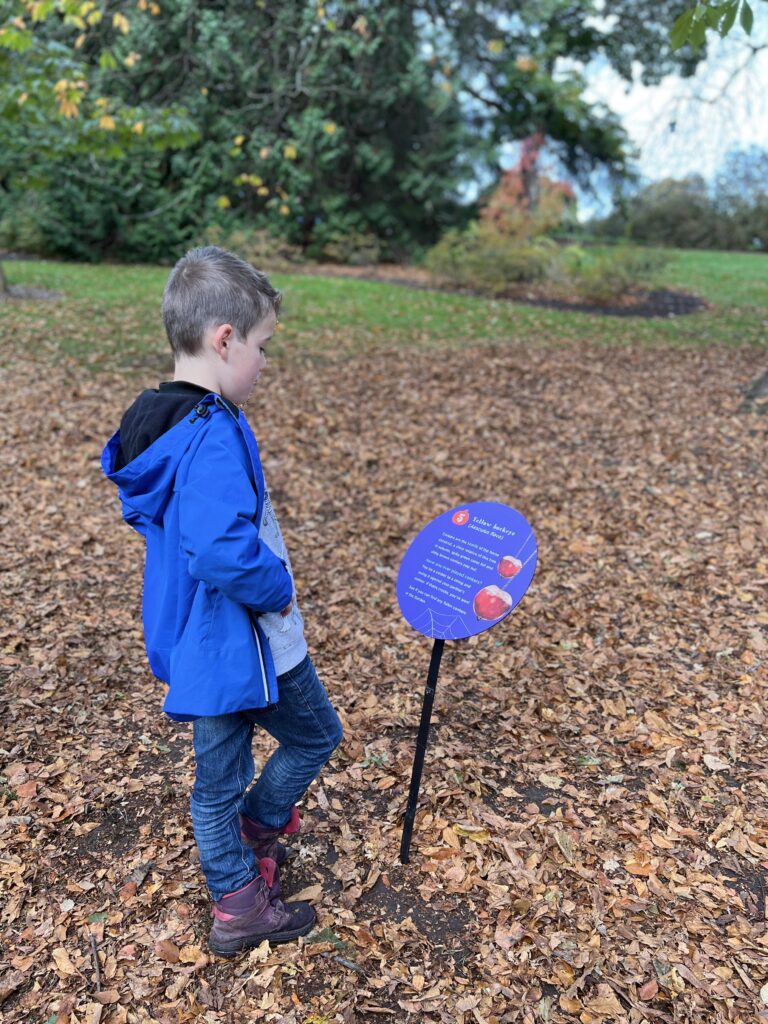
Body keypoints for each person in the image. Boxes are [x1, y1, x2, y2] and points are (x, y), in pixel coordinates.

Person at [101, 246, 343, 957]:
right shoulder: (208, 432)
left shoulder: (159, 421)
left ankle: (238, 891)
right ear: (224, 339)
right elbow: (215, 549)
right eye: (263, 347)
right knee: (314, 735)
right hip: (240, 641)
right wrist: (279, 586)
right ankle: (253, 853)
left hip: (196, 642)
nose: (267, 364)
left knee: (215, 779)